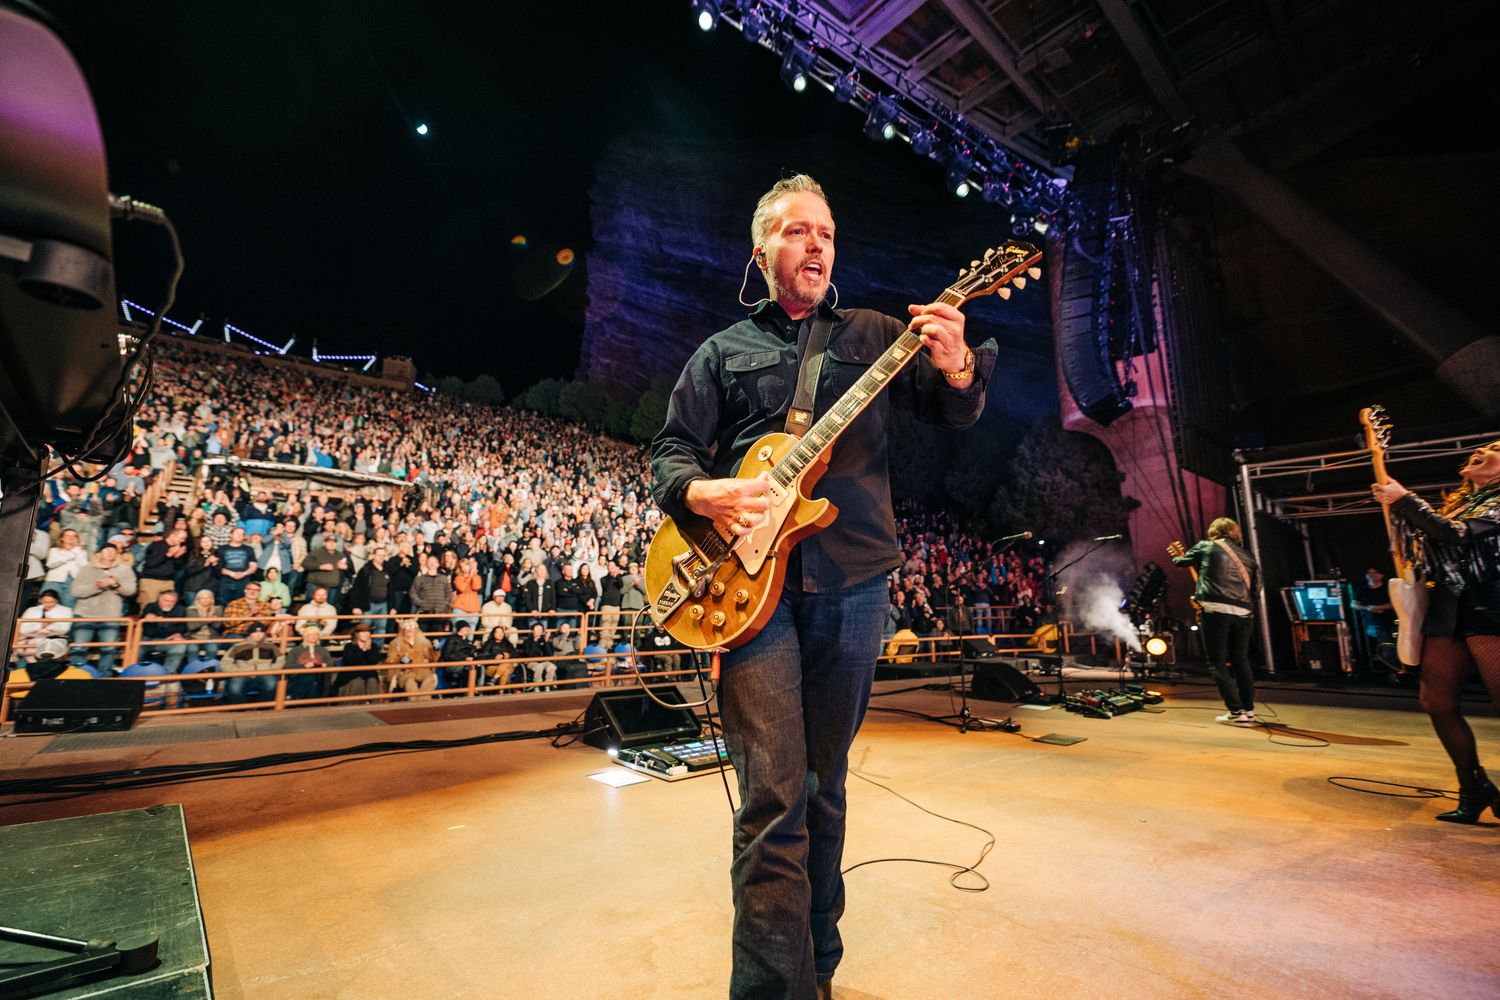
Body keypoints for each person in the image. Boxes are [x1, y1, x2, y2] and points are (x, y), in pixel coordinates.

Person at [649, 174, 994, 1000]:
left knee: (823, 787)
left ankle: (820, 970)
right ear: (762, 250)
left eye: (828, 233)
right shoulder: (721, 353)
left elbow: (955, 412)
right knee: (772, 794)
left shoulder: (878, 334)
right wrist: (703, 492)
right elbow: (670, 452)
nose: (816, 244)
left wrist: (957, 367)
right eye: (798, 230)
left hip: (853, 577)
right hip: (747, 592)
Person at [1373, 439, 1500, 824]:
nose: (1481, 450)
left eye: (1494, 448)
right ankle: (1473, 787)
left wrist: (1405, 500)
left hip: (1490, 604)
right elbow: (1431, 539)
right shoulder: (1460, 503)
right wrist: (1397, 511)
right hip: (1447, 606)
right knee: (1437, 701)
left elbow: (1458, 534)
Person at [1171, 517, 1262, 725]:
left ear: (1214, 532)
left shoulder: (1206, 546)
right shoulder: (1248, 556)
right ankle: (1248, 710)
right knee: (1241, 660)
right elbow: (1257, 588)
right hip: (1244, 612)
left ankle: (1235, 710)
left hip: (1216, 610)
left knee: (1217, 661)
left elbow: (1179, 562)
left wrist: (1180, 556)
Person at [70, 544, 137, 674]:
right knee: (79, 647)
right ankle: (76, 676)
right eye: (106, 550)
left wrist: (116, 585)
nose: (110, 552)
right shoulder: (86, 569)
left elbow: (131, 590)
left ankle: (105, 676)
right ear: (99, 553)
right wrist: (96, 586)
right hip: (85, 614)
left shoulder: (125, 570)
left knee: (109, 648)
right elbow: (76, 591)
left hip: (110, 615)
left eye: (113, 550)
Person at [221, 623, 281, 703]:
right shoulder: (238, 646)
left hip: (265, 673)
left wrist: (269, 669)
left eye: (261, 632)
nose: (258, 635)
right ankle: (239, 709)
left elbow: (280, 660)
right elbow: (225, 663)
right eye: (255, 632)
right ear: (250, 633)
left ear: (264, 634)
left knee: (271, 684)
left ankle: (265, 708)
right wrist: (238, 671)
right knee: (234, 687)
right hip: (242, 674)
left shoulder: (271, 646)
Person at [385, 619, 438, 698]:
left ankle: (424, 702)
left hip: (422, 669)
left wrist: (436, 650)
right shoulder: (396, 643)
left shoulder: (425, 642)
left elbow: (433, 658)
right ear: (403, 630)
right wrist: (400, 660)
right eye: (407, 627)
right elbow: (390, 660)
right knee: (409, 682)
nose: (410, 629)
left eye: (412, 627)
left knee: (429, 679)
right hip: (405, 671)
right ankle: (414, 703)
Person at [335, 622, 385, 700]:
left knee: (372, 682)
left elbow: (374, 660)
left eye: (368, 632)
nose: (366, 634)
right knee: (357, 682)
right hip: (352, 674)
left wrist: (368, 650)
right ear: (357, 634)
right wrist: (362, 650)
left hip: (368, 674)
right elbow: (351, 661)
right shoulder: (349, 646)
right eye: (363, 632)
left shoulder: (373, 646)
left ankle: (375, 704)